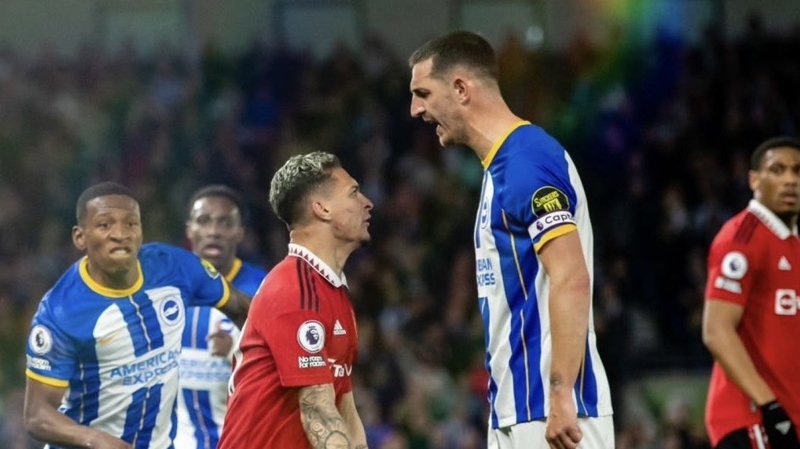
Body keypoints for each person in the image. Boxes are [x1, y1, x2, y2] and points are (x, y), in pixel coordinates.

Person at [408, 30, 613, 449]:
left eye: (423, 93)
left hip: (553, 414)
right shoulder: (499, 166)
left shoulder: (527, 162)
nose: (415, 110)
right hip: (516, 409)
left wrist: (560, 395)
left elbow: (571, 276)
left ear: (461, 88)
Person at [23, 182, 251, 449]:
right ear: (80, 237)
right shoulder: (60, 313)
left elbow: (242, 308)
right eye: (105, 225)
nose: (120, 234)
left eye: (131, 223)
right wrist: (96, 440)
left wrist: (249, 370)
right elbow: (37, 415)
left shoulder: (175, 267)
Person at [217, 151, 371, 449]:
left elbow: (345, 411)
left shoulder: (332, 291)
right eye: (353, 193)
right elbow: (319, 412)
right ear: (322, 209)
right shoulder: (295, 290)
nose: (367, 202)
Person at [702, 137, 800, 449]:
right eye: (778, 170)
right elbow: (716, 330)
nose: (790, 180)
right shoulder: (742, 237)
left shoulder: (794, 245)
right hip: (754, 420)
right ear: (754, 180)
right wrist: (770, 407)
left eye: (797, 172)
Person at [175, 185, 268, 449]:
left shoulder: (264, 288)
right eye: (204, 221)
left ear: (240, 232)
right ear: (189, 229)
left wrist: (238, 348)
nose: (213, 231)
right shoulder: (165, 287)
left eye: (225, 223)